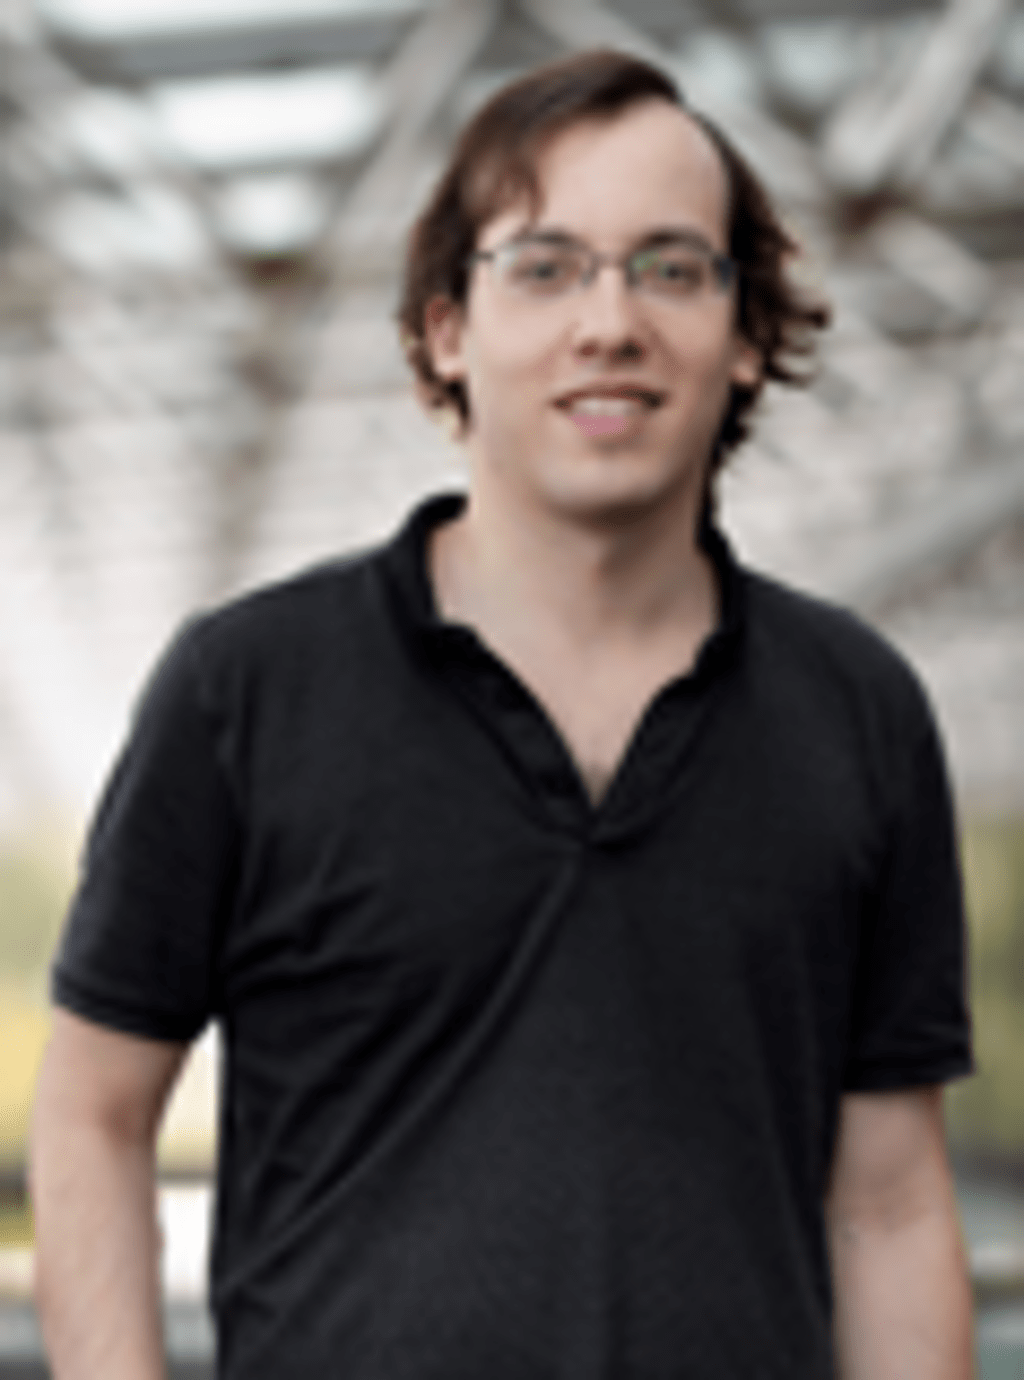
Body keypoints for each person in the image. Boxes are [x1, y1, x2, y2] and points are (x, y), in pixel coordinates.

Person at [31, 48, 974, 1380]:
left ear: (747, 332)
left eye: (671, 267)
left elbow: (884, 1200)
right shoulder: (245, 689)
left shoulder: (859, 712)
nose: (610, 323)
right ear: (443, 332)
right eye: (544, 267)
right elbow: (93, 1118)